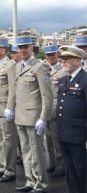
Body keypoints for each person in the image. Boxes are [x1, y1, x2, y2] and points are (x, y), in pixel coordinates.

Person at [14, 36, 53, 193]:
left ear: (32, 48)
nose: (23, 50)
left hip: (33, 117)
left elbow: (47, 95)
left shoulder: (40, 67)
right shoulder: (18, 66)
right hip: (20, 116)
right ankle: (30, 180)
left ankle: (41, 184)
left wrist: (43, 118)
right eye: (20, 47)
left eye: (26, 47)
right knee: (25, 151)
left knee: (37, 152)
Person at [56, 45, 87, 193]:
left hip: (79, 135)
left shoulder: (85, 80)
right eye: (62, 59)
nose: (63, 61)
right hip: (64, 133)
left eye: (67, 59)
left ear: (78, 60)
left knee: (82, 170)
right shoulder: (63, 80)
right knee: (70, 171)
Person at [0, 38, 18, 182]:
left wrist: (10, 107)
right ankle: (2, 166)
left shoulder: (11, 65)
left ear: (3, 50)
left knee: (8, 140)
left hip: (4, 108)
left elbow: (13, 89)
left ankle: (10, 169)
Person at [44, 45, 66, 177]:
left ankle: (61, 166)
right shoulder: (44, 69)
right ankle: (52, 163)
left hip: (56, 109)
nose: (51, 57)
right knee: (48, 140)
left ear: (58, 55)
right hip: (46, 110)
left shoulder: (63, 71)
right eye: (48, 55)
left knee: (57, 140)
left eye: (53, 55)